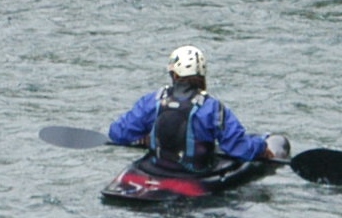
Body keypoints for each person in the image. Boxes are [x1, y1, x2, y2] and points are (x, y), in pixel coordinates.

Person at [107, 47, 290, 173]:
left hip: (157, 169)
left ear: (174, 75)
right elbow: (238, 148)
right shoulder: (212, 108)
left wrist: (147, 138)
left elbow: (117, 133)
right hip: (194, 173)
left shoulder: (152, 101)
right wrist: (261, 147)